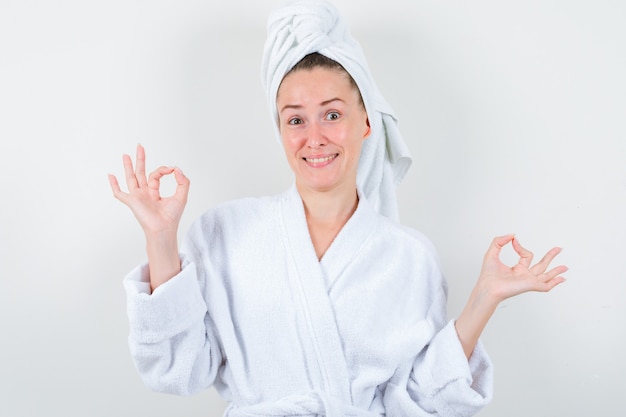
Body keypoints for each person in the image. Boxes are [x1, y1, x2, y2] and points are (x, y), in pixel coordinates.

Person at [108, 1, 567, 416]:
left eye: (332, 114)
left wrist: (483, 299)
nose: (315, 137)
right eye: (295, 119)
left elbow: (422, 400)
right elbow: (178, 369)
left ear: (366, 122)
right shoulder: (224, 233)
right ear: (281, 131)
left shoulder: (409, 257)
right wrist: (160, 237)